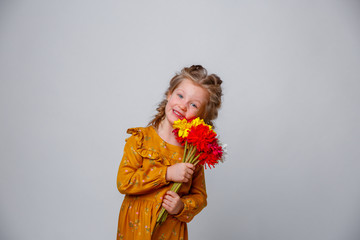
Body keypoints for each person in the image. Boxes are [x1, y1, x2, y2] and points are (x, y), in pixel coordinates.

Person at [116, 65, 223, 240]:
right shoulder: (140, 139)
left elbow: (200, 196)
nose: (183, 105)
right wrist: (166, 173)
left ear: (202, 117)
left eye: (193, 104)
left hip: (170, 231)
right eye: (180, 95)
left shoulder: (193, 154)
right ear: (169, 94)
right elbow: (124, 182)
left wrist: (182, 207)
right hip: (135, 229)